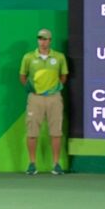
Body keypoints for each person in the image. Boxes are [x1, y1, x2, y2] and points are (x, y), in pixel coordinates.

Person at [20, 26, 68, 175]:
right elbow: (22, 76)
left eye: (45, 39)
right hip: (35, 98)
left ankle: (56, 164)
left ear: (50, 40)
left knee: (56, 132)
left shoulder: (59, 57)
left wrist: (55, 88)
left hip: (54, 98)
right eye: (40, 38)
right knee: (32, 132)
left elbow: (63, 76)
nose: (42, 41)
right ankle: (32, 164)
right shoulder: (28, 57)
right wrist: (33, 89)